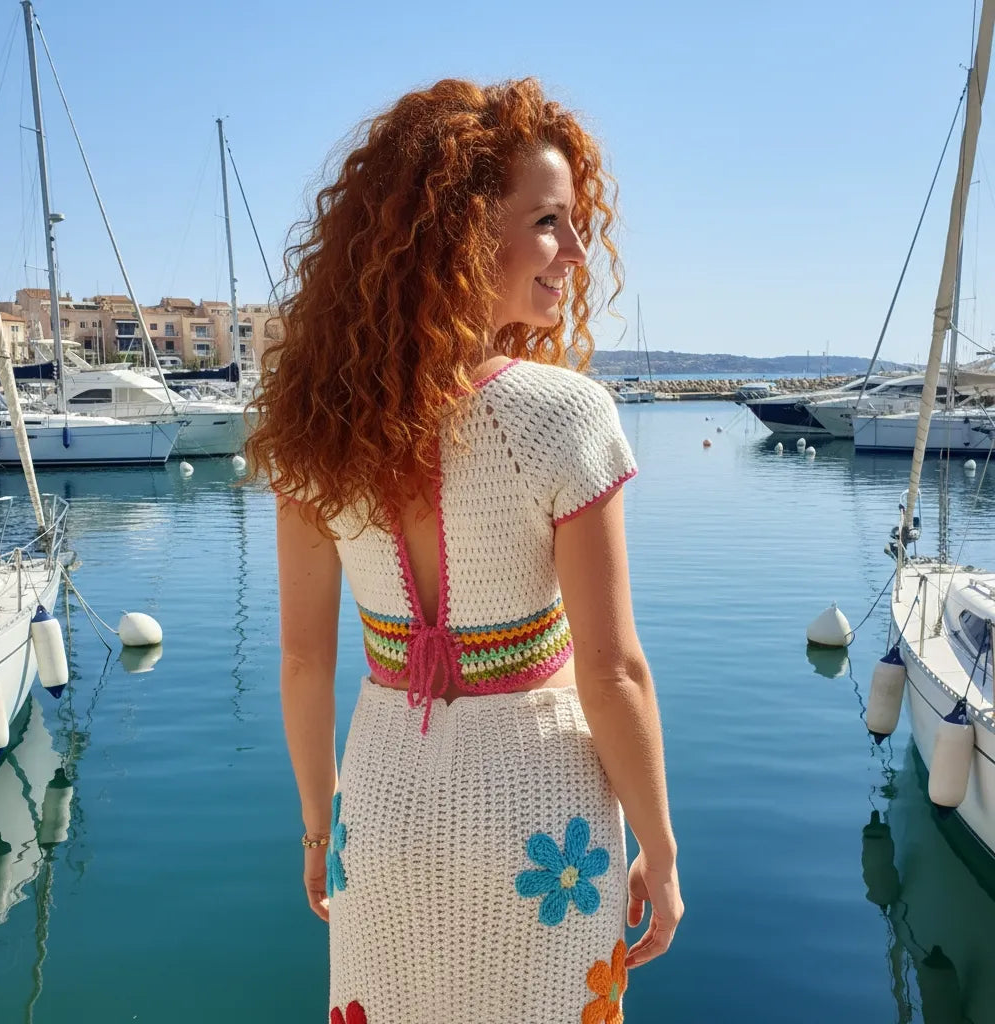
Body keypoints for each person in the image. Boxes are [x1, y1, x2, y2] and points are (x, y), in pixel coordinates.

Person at [247, 77, 682, 1024]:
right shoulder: (565, 416)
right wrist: (661, 848)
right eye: (548, 222)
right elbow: (610, 673)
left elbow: (302, 662)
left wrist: (320, 829)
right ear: (461, 232)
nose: (575, 251)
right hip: (545, 827)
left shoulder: (316, 436)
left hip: (386, 809)